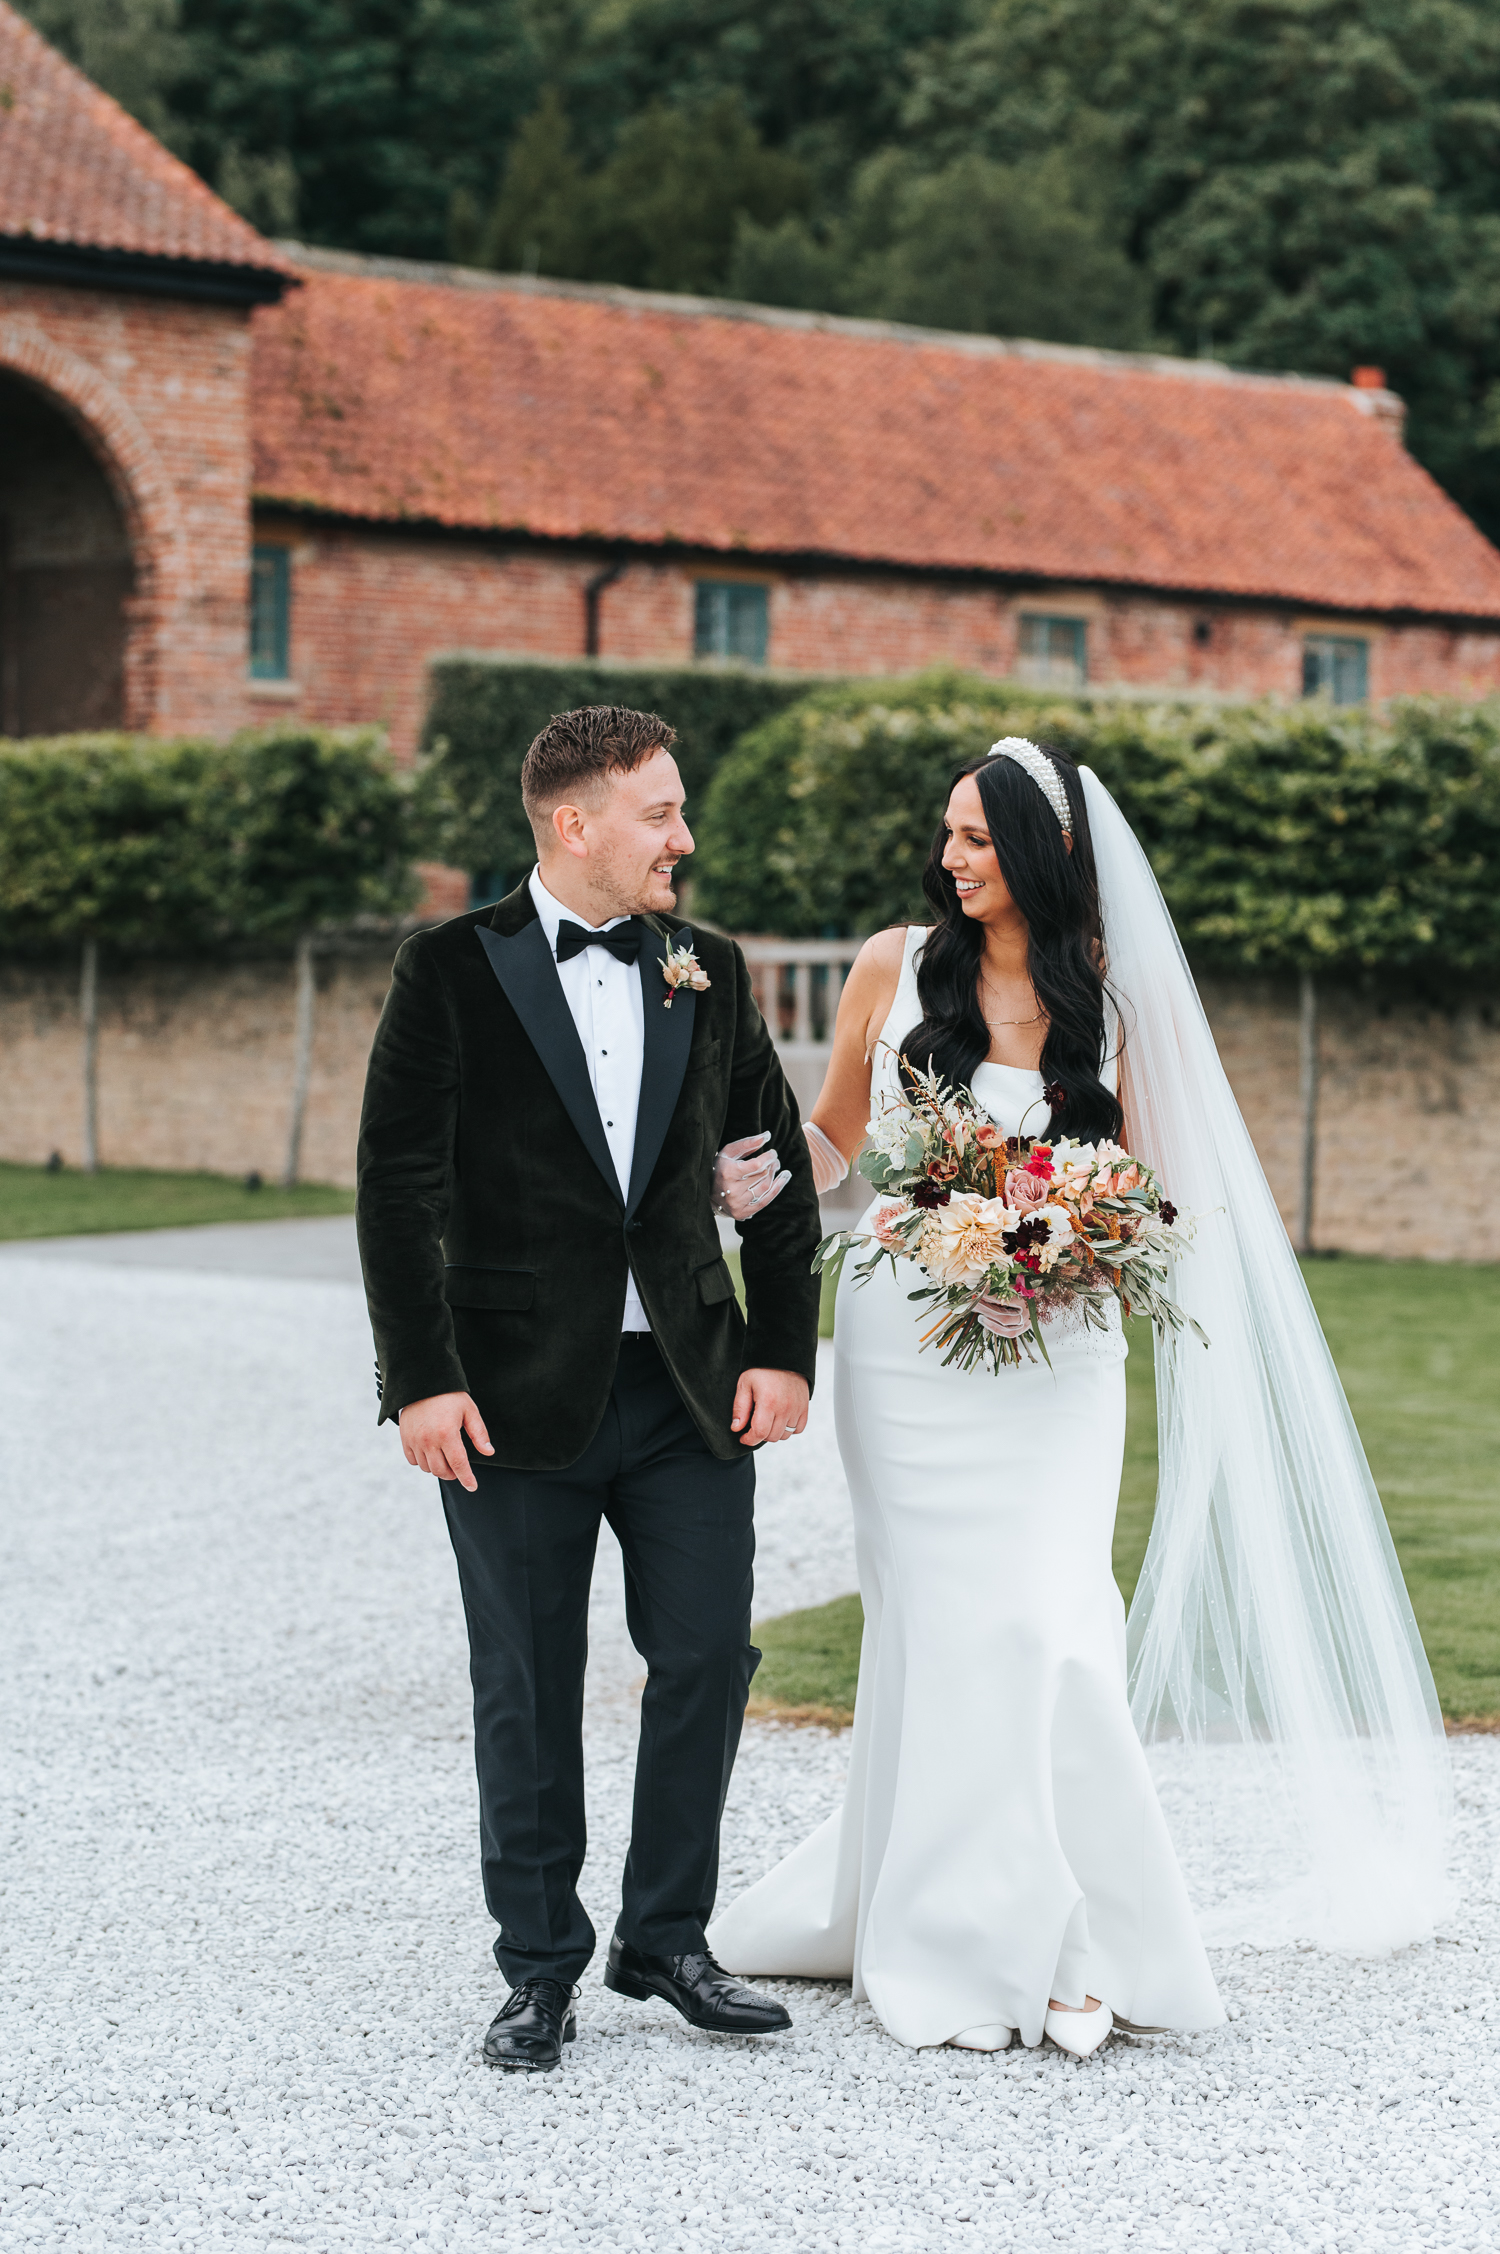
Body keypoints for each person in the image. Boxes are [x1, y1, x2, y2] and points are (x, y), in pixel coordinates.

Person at [709, 737, 1450, 2056]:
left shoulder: (1111, 1007)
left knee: (1052, 1623)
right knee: (935, 1625)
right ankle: (954, 1926)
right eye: (946, 836)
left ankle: (1071, 1925)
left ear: (1044, 852)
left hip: (1061, 1354)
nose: (950, 859)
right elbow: (834, 1138)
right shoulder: (893, 964)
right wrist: (747, 1175)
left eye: (977, 841)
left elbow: (1160, 1189)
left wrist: (1069, 1232)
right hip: (905, 1342)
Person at [356, 703, 823, 2071]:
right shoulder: (449, 967)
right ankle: (540, 1966)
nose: (683, 835)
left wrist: (784, 1347)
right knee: (528, 1674)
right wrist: (420, 1382)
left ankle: (666, 1934)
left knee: (705, 1655)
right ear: (575, 823)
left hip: (687, 1389)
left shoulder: (710, 970)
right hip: (508, 1397)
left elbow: (773, 1174)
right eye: (660, 810)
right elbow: (398, 1187)